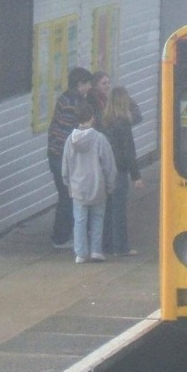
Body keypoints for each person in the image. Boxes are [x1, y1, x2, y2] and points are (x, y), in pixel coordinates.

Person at [62, 103, 116, 264]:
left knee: (79, 220)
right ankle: (96, 251)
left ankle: (80, 253)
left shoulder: (69, 141)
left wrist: (67, 183)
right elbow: (109, 165)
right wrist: (110, 185)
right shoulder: (100, 139)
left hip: (78, 186)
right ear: (92, 118)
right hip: (97, 185)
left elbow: (65, 166)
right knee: (97, 218)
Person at [46, 66, 93, 248]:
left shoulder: (66, 98)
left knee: (66, 196)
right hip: (62, 157)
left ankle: (63, 236)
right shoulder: (73, 103)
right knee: (67, 197)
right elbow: (68, 134)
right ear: (80, 84)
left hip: (55, 155)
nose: (89, 87)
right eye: (88, 83)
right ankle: (60, 238)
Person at [101, 86, 144, 256]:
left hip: (105, 170)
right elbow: (129, 151)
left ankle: (106, 245)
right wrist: (136, 176)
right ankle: (121, 247)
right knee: (119, 211)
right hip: (119, 171)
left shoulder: (104, 122)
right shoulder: (123, 123)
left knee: (107, 210)